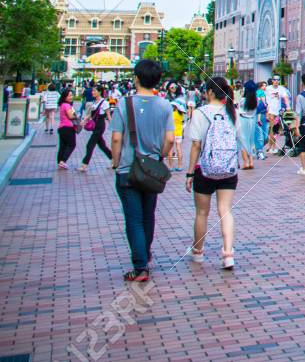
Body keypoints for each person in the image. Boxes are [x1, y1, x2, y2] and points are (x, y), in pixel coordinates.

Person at [109, 59, 175, 282]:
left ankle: (140, 267)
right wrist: (161, 155)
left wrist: (115, 161)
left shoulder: (124, 104)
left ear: (136, 78)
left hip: (128, 168)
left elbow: (117, 138)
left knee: (134, 219)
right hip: (152, 169)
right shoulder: (165, 106)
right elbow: (170, 139)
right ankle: (144, 256)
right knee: (148, 215)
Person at [185, 76, 240, 270]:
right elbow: (237, 139)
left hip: (205, 170)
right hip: (228, 169)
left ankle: (198, 251)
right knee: (225, 210)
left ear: (209, 92)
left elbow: (195, 145)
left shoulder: (201, 113)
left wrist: (190, 173)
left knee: (202, 212)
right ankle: (228, 254)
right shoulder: (233, 113)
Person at [79, 85, 112, 170]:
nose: (92, 92)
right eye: (92, 91)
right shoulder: (94, 102)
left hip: (100, 126)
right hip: (95, 126)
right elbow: (90, 114)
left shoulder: (104, 102)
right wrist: (84, 121)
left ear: (100, 92)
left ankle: (84, 164)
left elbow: (108, 116)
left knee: (90, 145)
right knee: (102, 145)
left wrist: (114, 127)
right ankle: (114, 159)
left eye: (94, 91)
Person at [265, 76, 290, 154]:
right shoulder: (268, 88)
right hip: (270, 111)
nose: (276, 81)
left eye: (278, 80)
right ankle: (272, 147)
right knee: (272, 129)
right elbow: (262, 96)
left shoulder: (281, 89)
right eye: (274, 80)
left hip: (278, 111)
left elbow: (285, 97)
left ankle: (270, 146)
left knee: (275, 130)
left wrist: (288, 106)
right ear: (272, 80)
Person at [236, 81, 258, 171]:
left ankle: (246, 163)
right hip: (252, 121)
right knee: (251, 141)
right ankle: (251, 162)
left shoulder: (243, 100)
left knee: (243, 143)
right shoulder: (255, 101)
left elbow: (239, 110)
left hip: (243, 121)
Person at [55, 89, 79, 169]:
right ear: (65, 97)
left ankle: (60, 162)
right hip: (68, 128)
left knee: (63, 146)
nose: (71, 97)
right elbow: (71, 116)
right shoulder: (67, 105)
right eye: (69, 95)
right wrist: (77, 116)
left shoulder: (62, 105)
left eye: (72, 95)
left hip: (62, 128)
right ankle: (63, 161)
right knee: (72, 144)